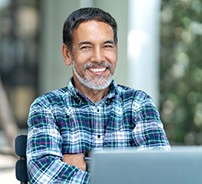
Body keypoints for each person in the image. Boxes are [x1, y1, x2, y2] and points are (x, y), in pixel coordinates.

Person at [26, 7, 170, 184]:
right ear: (67, 54)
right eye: (86, 47)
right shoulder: (47, 107)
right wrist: (125, 174)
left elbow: (159, 173)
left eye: (107, 46)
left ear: (116, 51)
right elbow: (45, 176)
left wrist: (86, 163)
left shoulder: (139, 104)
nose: (98, 57)